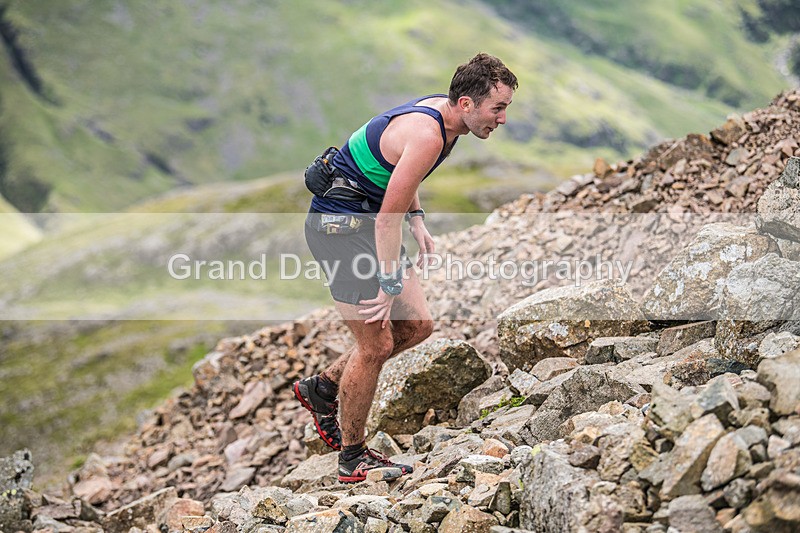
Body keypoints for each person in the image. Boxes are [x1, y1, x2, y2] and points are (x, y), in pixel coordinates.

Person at [294, 53, 518, 483]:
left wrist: (418, 222)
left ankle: (322, 389)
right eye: (499, 108)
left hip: (366, 219)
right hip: (339, 227)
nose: (503, 119)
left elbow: (400, 177)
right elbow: (384, 219)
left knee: (417, 326)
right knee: (375, 346)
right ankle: (352, 458)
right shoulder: (429, 134)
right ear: (468, 104)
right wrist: (388, 280)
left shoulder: (447, 118)